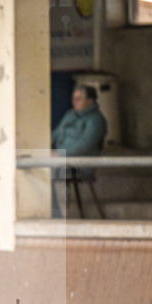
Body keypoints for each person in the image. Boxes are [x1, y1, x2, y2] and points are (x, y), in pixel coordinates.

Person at [50, 84, 107, 217]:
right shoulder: (70, 114)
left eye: (79, 99)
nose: (75, 102)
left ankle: (57, 216)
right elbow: (56, 133)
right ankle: (50, 213)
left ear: (90, 101)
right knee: (34, 167)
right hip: (60, 159)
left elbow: (86, 144)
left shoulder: (96, 120)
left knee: (51, 171)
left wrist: (60, 154)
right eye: (74, 99)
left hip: (80, 165)